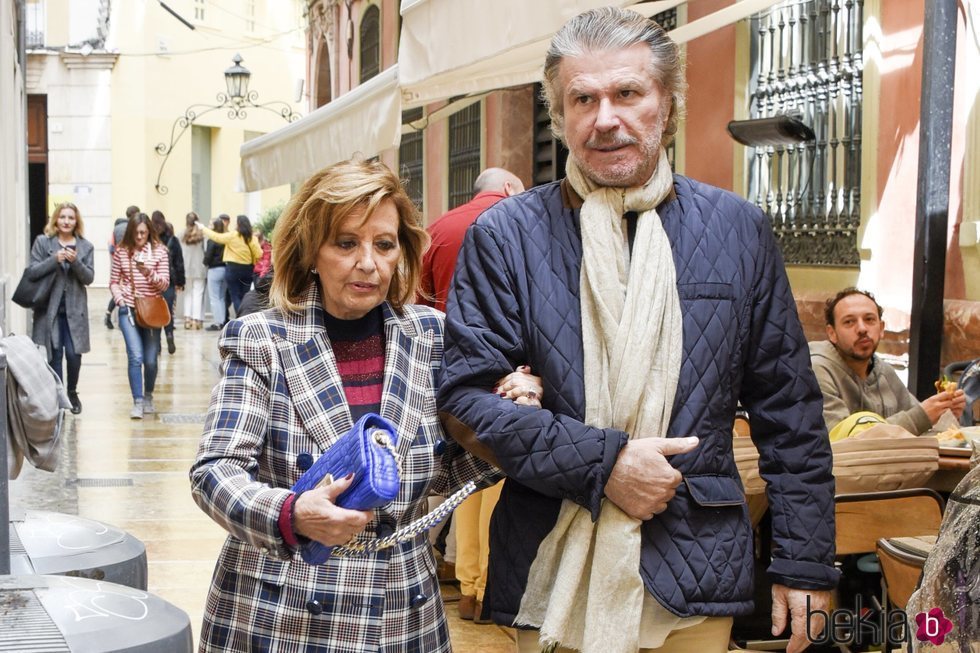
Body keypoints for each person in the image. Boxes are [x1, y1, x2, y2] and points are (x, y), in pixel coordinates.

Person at [436, 8, 838, 653]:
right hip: (551, 563)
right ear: (561, 116)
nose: (605, 118)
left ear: (667, 105)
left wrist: (806, 561)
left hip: (695, 558)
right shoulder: (507, 236)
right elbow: (466, 399)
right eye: (583, 99)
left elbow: (788, 410)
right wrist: (607, 464)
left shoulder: (736, 230)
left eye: (627, 93)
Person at [188, 159, 541, 652]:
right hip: (280, 613)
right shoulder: (261, 339)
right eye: (346, 243)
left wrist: (511, 412)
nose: (369, 263)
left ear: (402, 252)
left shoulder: (432, 337)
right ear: (312, 251)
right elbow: (214, 471)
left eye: (384, 244)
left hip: (401, 616)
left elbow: (446, 470)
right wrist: (291, 513)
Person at [419, 166, 526, 623]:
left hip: (449, 363)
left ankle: (466, 586)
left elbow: (419, 302)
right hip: (507, 365)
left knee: (462, 474)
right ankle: (489, 584)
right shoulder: (519, 221)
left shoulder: (438, 229)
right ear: (506, 190)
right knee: (498, 473)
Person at [810, 287, 967, 436]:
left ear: (882, 328)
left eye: (869, 319)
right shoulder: (816, 371)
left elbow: (923, 427)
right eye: (849, 322)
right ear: (832, 333)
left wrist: (945, 413)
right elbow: (843, 442)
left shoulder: (883, 371)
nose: (862, 329)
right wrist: (922, 417)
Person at [26, 201, 94, 414]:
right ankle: (58, 398)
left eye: (70, 218)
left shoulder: (85, 246)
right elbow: (32, 272)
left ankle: (72, 391)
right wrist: (54, 259)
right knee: (54, 356)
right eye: (62, 217)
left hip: (75, 312)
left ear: (76, 222)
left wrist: (75, 262)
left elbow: (89, 278)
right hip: (50, 310)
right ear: (56, 219)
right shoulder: (43, 243)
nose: (66, 221)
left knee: (74, 356)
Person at [109, 212, 170, 420]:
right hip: (128, 309)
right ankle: (137, 401)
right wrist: (120, 300)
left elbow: (164, 284)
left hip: (152, 310)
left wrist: (147, 272)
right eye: (136, 233)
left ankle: (148, 396)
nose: (139, 236)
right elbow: (114, 281)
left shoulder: (160, 252)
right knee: (135, 356)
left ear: (149, 232)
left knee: (151, 360)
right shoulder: (122, 252)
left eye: (143, 232)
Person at [199, 214, 262, 316]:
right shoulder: (252, 238)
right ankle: (245, 315)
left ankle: (241, 316)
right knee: (244, 295)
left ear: (238, 224)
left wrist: (203, 229)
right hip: (248, 269)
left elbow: (216, 237)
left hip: (233, 269)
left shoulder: (233, 236)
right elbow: (259, 254)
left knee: (235, 296)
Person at [151, 210, 185, 354]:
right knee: (167, 311)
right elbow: (179, 262)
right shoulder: (173, 239)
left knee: (156, 313)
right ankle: (169, 335)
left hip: (153, 282)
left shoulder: (150, 240)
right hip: (169, 281)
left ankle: (157, 344)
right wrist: (180, 282)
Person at [104, 204, 140, 329]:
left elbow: (111, 247)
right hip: (132, 263)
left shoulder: (116, 228)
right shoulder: (136, 227)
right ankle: (127, 318)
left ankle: (112, 315)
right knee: (127, 290)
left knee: (119, 289)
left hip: (117, 262)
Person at [179, 212, 207, 330]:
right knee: (198, 294)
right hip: (199, 268)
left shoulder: (181, 234)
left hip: (186, 268)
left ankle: (187, 319)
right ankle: (196, 320)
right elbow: (206, 251)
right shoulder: (202, 235)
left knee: (188, 294)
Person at [203, 216, 228, 331]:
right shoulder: (225, 239)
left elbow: (208, 256)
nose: (208, 226)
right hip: (225, 268)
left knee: (214, 297)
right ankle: (222, 321)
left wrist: (205, 262)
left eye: (210, 224)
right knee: (222, 297)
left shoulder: (212, 240)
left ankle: (217, 322)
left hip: (214, 269)